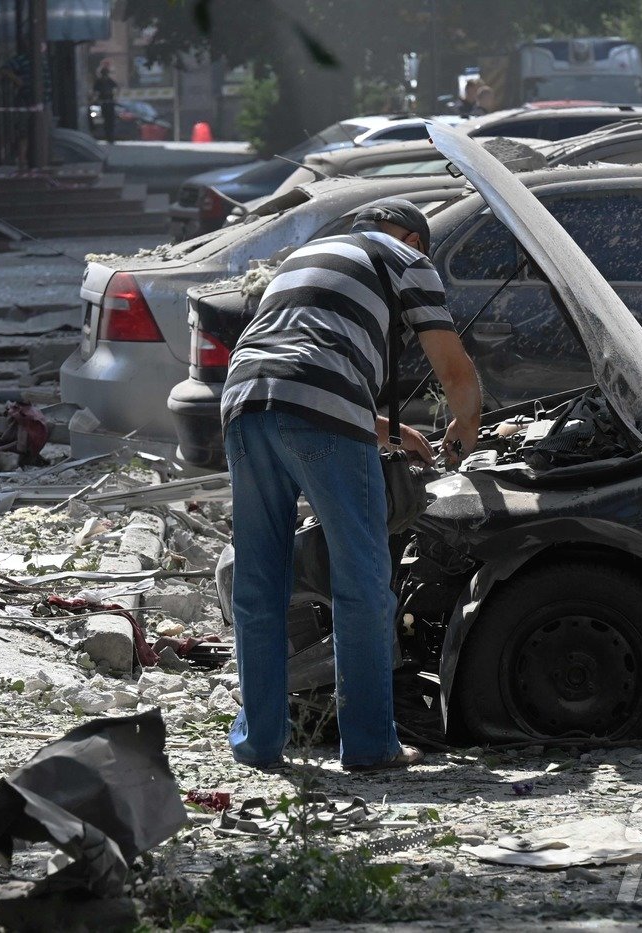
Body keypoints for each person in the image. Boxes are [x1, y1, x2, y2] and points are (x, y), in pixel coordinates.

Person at [220, 198, 482, 773]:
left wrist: (392, 430)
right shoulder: (407, 260)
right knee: (362, 583)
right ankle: (369, 745)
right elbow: (454, 370)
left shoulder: (306, 256)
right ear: (414, 237)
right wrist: (464, 432)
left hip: (244, 401)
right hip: (317, 407)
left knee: (260, 581)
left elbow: (296, 363)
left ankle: (259, 743)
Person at [93, 64, 119, 144]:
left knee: (110, 121)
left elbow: (117, 88)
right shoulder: (99, 82)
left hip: (109, 102)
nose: (105, 76)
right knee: (106, 120)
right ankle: (108, 137)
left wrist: (115, 98)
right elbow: (95, 92)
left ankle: (111, 137)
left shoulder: (109, 81)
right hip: (103, 102)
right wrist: (96, 100)